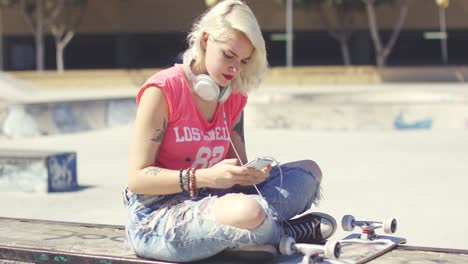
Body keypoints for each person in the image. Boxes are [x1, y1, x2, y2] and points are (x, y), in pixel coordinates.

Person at [123, 0, 336, 262]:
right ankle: (283, 232)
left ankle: (257, 235)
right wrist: (204, 178)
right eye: (228, 56)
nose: (235, 69)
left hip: (219, 200)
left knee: (308, 173)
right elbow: (137, 179)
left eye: (244, 61)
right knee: (248, 212)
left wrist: (249, 175)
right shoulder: (162, 91)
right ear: (204, 42)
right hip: (159, 216)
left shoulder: (233, 94)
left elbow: (238, 168)